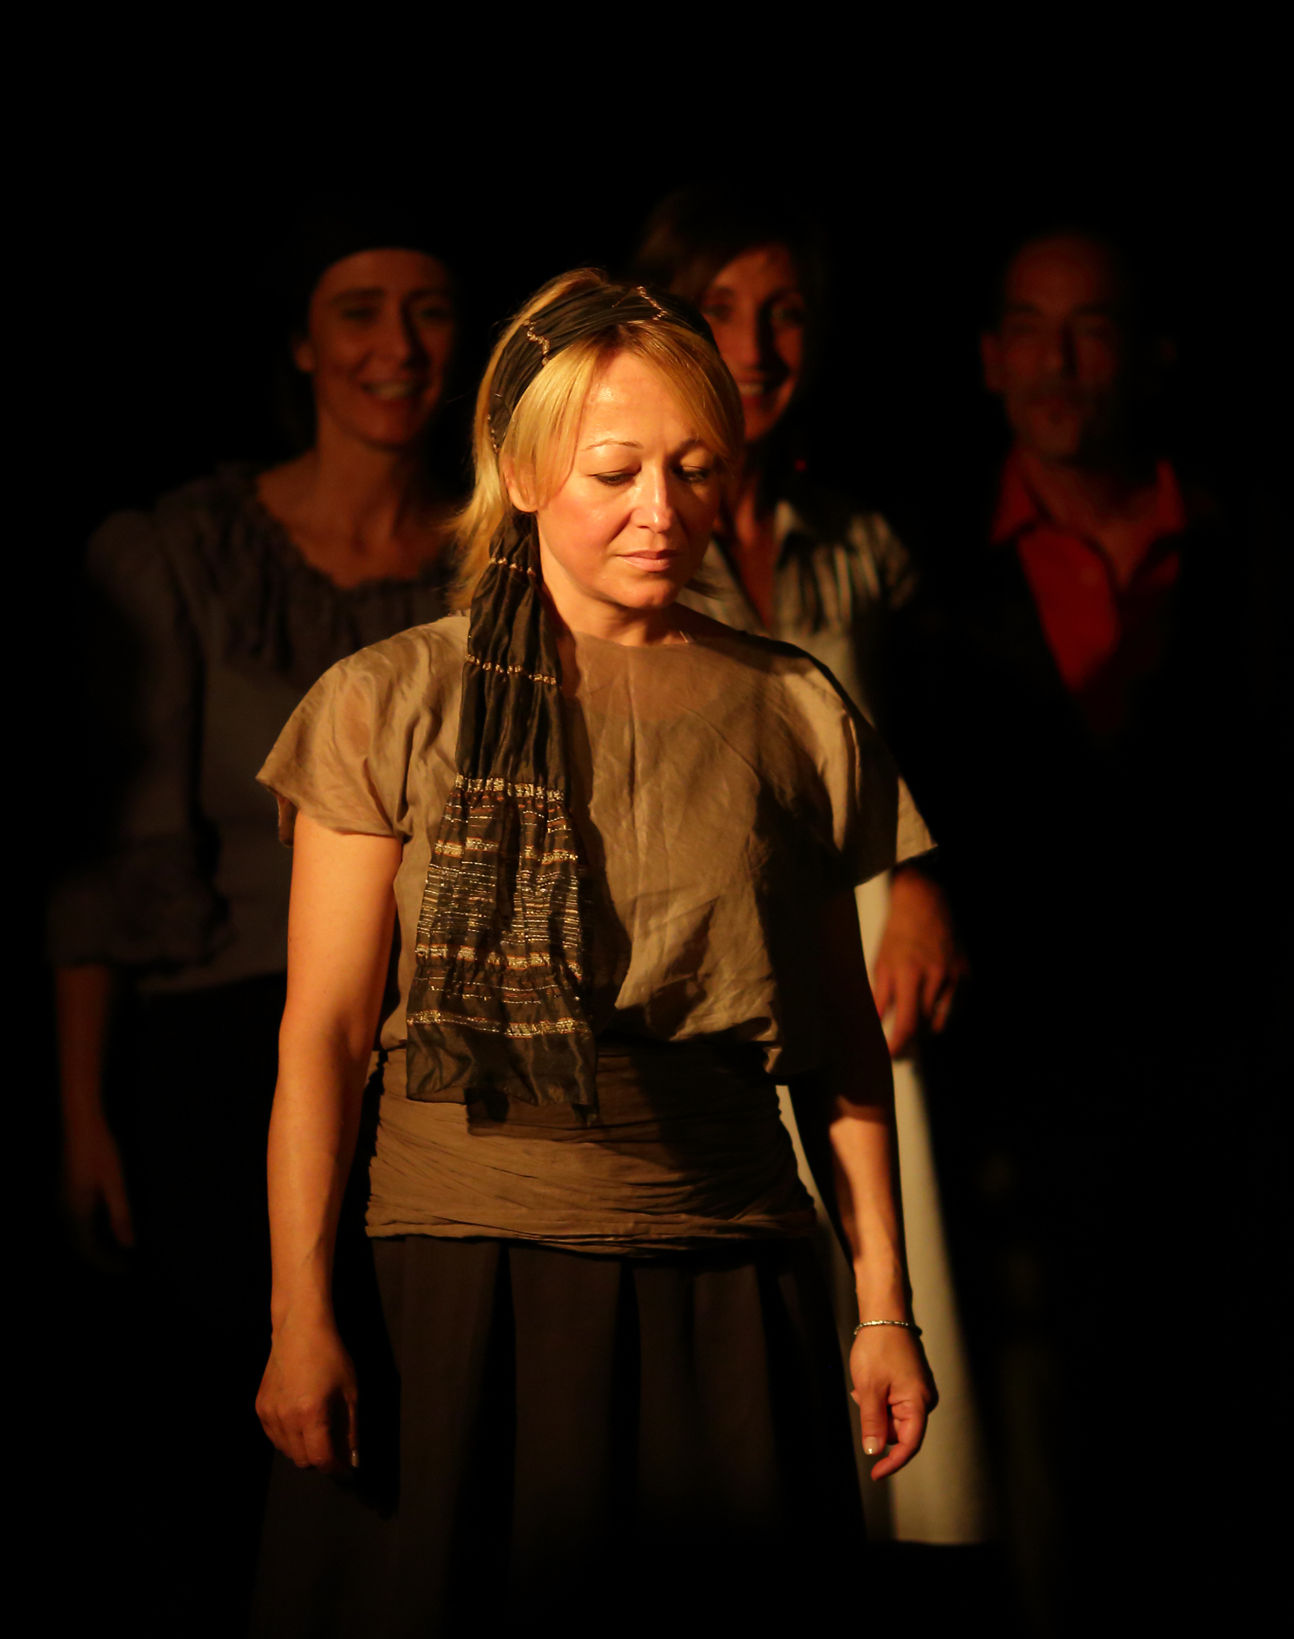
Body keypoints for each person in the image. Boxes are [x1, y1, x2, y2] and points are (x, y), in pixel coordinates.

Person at [249, 270, 936, 1634]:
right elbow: (322, 1037)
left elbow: (838, 1041)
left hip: (727, 1270)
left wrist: (883, 1308)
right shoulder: (393, 700)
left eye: (695, 468)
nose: (660, 508)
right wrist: (299, 1312)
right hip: (465, 1273)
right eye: (615, 470)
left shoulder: (790, 708)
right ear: (520, 472)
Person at [897, 219, 1294, 1615]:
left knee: (1223, 1459)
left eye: (1089, 329)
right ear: (985, 357)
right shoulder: (926, 567)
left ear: (1150, 355)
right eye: (1028, 328)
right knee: (1044, 1479)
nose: (1057, 363)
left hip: (1229, 1098)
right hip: (1015, 1103)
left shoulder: (1249, 544)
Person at [48, 215, 463, 1610]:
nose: (396, 346)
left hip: (429, 1055)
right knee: (228, 1445)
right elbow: (116, 849)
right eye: (358, 309)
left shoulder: (499, 555)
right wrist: (83, 1113)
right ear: (300, 341)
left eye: (427, 308)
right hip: (219, 1050)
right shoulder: (185, 549)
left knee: (409, 1456)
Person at [628, 182, 993, 1551]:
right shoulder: (621, 537)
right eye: (719, 309)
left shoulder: (857, 540)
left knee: (899, 1272)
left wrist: (926, 882)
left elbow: (931, 753)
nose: (755, 347)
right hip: (705, 963)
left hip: (865, 959)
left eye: (783, 312)